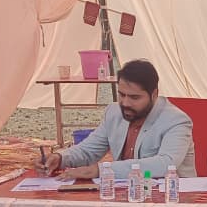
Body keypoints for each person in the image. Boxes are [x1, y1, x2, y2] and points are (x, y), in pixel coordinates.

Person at [40, 59, 197, 178]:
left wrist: (102, 170)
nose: (125, 103)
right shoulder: (114, 112)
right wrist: (60, 158)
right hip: (127, 195)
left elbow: (165, 164)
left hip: (172, 200)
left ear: (154, 94)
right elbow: (88, 150)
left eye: (134, 97)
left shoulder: (176, 120)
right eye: (121, 95)